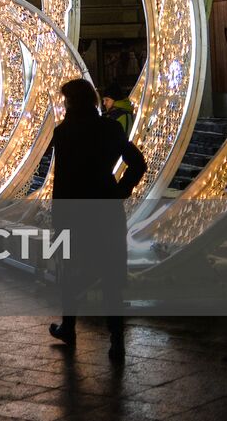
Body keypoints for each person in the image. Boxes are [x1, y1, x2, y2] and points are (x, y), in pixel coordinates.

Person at [48, 78, 147, 360]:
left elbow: (63, 180)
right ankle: (117, 341)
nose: (64, 104)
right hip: (106, 210)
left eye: (66, 100)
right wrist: (121, 189)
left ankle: (69, 327)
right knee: (112, 277)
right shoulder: (110, 129)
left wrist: (58, 219)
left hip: (74, 213)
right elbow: (138, 163)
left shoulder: (64, 132)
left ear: (72, 102)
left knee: (70, 272)